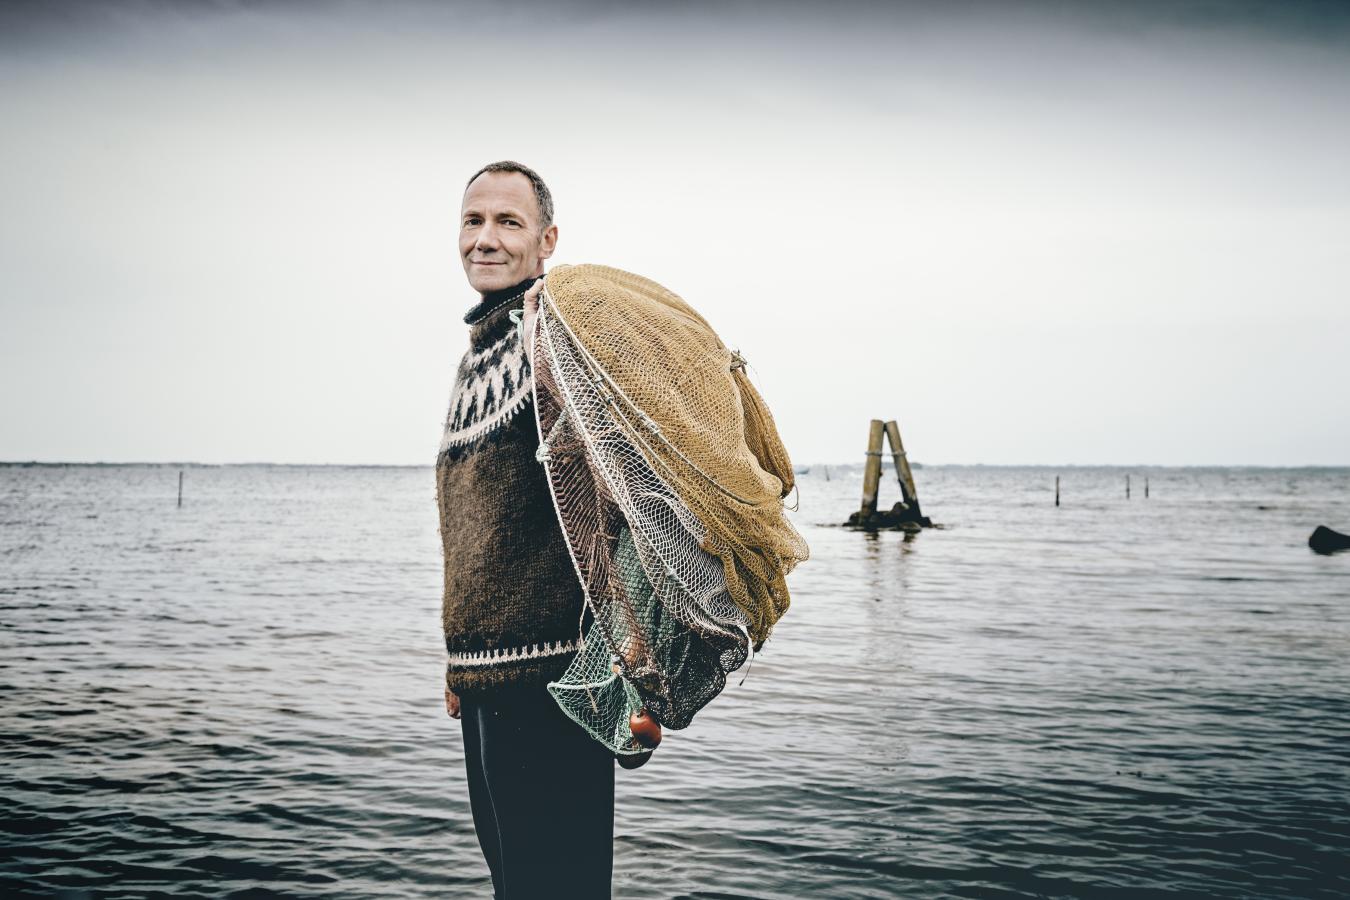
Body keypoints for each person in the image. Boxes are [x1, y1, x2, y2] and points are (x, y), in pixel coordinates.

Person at [436, 161, 615, 899]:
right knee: (513, 883)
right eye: (473, 221)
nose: (486, 238)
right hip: (485, 680)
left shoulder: (554, 341)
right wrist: (459, 662)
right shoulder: (481, 351)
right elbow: (477, 525)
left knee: (555, 889)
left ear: (546, 241)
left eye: (508, 222)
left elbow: (611, 495)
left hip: (555, 678)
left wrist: (621, 651)